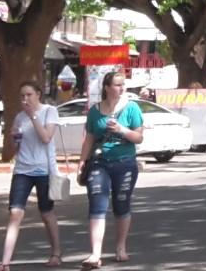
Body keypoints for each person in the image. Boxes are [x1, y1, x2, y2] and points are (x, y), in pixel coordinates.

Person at [78, 71, 144, 267]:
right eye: (117, 85)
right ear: (106, 88)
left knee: (121, 204)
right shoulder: (95, 111)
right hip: (100, 162)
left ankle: (121, 246)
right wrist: (82, 161)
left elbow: (139, 137)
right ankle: (95, 254)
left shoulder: (132, 108)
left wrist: (122, 130)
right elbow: (89, 138)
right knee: (97, 203)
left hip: (125, 163)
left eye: (123, 85)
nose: (121, 88)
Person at [0, 81, 62, 271]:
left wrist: (33, 115)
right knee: (15, 213)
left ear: (38, 94)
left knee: (46, 212)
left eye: (29, 95)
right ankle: (5, 262)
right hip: (22, 169)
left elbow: (46, 137)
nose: (25, 99)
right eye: (22, 96)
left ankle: (56, 252)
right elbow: (15, 148)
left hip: (44, 170)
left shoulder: (49, 111)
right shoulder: (19, 117)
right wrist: (14, 138)